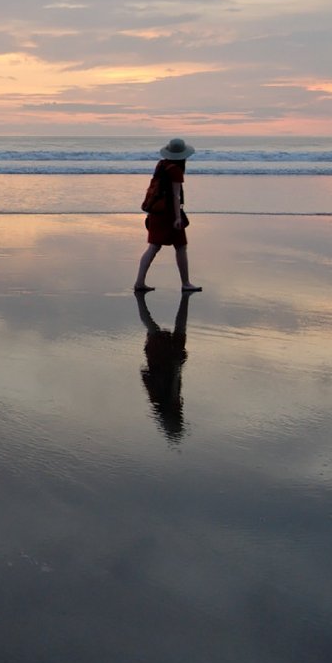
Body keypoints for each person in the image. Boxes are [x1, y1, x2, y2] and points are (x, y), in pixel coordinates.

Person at [134, 137, 201, 293]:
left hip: (156, 211)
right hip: (169, 214)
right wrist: (178, 218)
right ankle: (185, 283)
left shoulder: (161, 165)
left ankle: (139, 282)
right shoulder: (175, 170)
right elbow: (176, 196)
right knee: (181, 247)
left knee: (154, 247)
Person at [136, 289, 192, 442]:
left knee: (176, 326)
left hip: (164, 357)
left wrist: (177, 366)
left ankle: (140, 299)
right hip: (160, 357)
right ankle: (139, 300)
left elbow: (174, 377)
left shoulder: (165, 402)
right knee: (153, 327)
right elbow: (147, 375)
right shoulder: (159, 401)